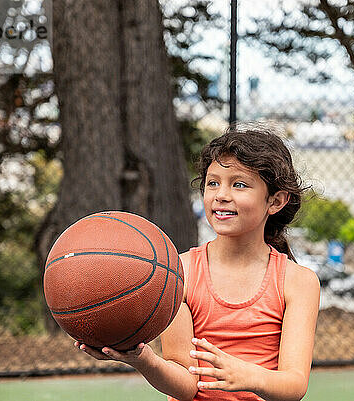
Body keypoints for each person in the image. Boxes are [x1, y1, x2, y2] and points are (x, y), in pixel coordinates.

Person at [75, 122, 321, 401]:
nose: (221, 195)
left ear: (275, 201)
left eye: (239, 184)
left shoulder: (298, 281)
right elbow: (186, 384)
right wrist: (143, 359)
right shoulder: (179, 272)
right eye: (213, 183)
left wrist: (250, 376)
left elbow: (294, 384)